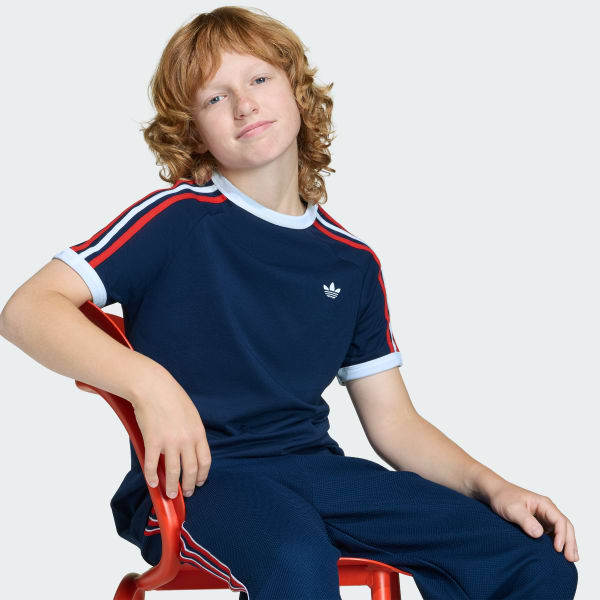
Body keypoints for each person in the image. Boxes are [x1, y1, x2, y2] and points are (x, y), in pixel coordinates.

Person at [0, 6, 578, 600]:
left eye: (259, 79)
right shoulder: (175, 219)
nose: (244, 104)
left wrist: (492, 486)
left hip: (318, 474)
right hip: (195, 482)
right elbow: (26, 309)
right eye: (215, 97)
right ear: (192, 129)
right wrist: (150, 384)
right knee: (296, 560)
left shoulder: (351, 261)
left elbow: (395, 424)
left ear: (298, 91)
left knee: (535, 558)